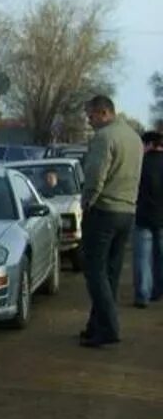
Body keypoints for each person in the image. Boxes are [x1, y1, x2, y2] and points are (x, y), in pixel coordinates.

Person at [78, 95, 144, 347]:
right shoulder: (134, 138)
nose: (89, 120)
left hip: (104, 209)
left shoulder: (104, 138)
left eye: (91, 115)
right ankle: (97, 325)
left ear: (104, 113)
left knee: (94, 270)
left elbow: (95, 175)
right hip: (127, 212)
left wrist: (87, 202)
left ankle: (109, 327)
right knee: (111, 273)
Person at [133, 130, 163, 307]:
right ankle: (158, 290)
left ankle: (143, 294)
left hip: (143, 216)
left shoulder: (140, 163)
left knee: (142, 258)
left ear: (150, 144)